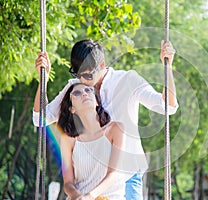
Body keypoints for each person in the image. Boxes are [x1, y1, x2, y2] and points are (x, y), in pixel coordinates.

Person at [33, 39, 178, 199]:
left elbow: (168, 106)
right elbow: (40, 118)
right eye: (77, 74)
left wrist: (168, 67)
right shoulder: (76, 89)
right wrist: (43, 80)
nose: (83, 80)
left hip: (125, 173)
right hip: (89, 176)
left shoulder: (128, 81)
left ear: (101, 65)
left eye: (87, 74)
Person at [57, 82, 126, 199]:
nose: (84, 94)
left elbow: (113, 174)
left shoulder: (116, 129)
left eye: (88, 90)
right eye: (77, 93)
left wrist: (90, 197)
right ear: (72, 108)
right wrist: (77, 195)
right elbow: (68, 183)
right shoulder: (68, 139)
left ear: (97, 101)